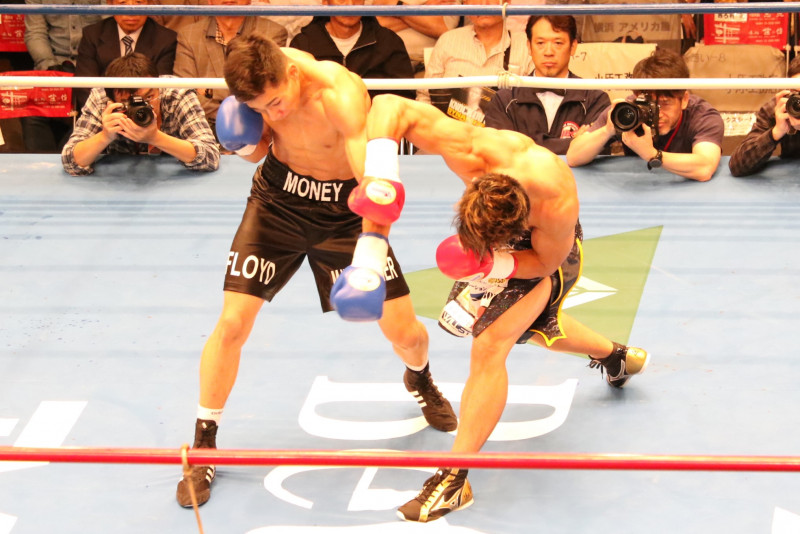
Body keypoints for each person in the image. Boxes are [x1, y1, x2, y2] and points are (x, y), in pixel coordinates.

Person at [174, 33, 456, 508]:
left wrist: (370, 255)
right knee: (232, 324)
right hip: (276, 202)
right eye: (262, 108)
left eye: (277, 102)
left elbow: (376, 188)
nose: (276, 112)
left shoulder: (340, 95)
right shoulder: (258, 83)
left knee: (406, 333)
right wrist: (245, 144)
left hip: (345, 212)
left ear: (292, 73)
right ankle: (204, 443)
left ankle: (420, 377)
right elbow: (260, 148)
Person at [364, 93, 649, 523]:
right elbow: (389, 105)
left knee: (491, 344)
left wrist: (493, 265)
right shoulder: (472, 151)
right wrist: (381, 177)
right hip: (492, 235)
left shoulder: (553, 199)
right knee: (533, 325)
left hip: (546, 253)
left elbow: (547, 262)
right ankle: (616, 357)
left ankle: (455, 479)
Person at [565, 47, 723, 182]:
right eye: (650, 104)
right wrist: (608, 129)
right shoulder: (628, 111)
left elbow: (705, 167)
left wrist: (652, 155)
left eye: (665, 103)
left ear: (684, 99)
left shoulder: (702, 115)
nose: (658, 113)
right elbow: (573, 157)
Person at [61, 53, 219, 175]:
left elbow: (210, 157)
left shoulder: (177, 92)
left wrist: (155, 137)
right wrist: (105, 136)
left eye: (149, 97)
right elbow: (70, 161)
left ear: (159, 87)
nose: (143, 107)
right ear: (112, 100)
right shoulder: (101, 97)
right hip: (120, 182)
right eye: (129, 102)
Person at [484, 15, 610, 155]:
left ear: (573, 47)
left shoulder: (596, 100)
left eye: (558, 43)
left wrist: (525, 144)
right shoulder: (503, 101)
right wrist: (573, 144)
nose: (548, 52)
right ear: (529, 46)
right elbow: (503, 154)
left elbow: (596, 154)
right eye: (540, 43)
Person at [173, 0, 288, 140]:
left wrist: (209, 92)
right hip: (202, 130)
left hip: (258, 131)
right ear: (209, 1)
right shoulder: (189, 35)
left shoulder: (272, 33)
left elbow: (267, 92)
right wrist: (231, 114)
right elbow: (184, 97)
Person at [288, 0, 415, 100]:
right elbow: (293, 96)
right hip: (320, 121)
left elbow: (405, 97)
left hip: (374, 121)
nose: (350, 4)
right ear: (325, 2)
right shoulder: (303, 45)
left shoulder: (388, 41)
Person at [22, 0, 103, 153]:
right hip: (53, 63)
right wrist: (49, 67)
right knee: (32, 112)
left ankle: (69, 157)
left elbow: (110, 27)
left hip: (94, 62)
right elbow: (35, 32)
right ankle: (41, 164)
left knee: (92, 109)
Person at [419, 0, 533, 105]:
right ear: (465, 3)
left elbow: (535, 101)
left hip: (506, 121)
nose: (484, 4)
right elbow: (425, 97)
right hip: (446, 121)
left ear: (507, 2)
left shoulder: (526, 45)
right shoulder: (448, 40)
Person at [74, 0, 178, 113]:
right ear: (110, 4)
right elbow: (85, 86)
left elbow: (161, 89)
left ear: (149, 4)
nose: (131, 11)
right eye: (122, 3)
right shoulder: (92, 34)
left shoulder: (166, 39)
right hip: (103, 112)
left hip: (149, 113)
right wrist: (110, 112)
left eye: (139, 2)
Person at [728, 56, 800, 177]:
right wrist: (776, 132)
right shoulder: (779, 108)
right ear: (788, 90)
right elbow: (737, 165)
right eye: (796, 93)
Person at [371, 0, 461, 73]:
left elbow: (442, 28)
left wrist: (397, 6)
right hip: (380, 62)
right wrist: (424, 11)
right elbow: (373, 26)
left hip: (424, 66)